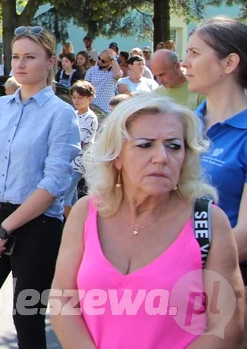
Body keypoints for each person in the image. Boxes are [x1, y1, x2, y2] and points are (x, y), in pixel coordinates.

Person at [49, 95, 245, 347]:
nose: (161, 157)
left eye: (174, 146)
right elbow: (62, 300)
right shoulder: (86, 212)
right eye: (145, 145)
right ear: (116, 156)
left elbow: (228, 326)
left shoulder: (207, 221)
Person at [0, 25, 80, 348]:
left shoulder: (61, 115)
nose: (20, 64)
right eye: (15, 56)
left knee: (27, 320)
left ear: (51, 61)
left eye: (30, 57)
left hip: (37, 227)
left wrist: (6, 228)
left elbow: (54, 183)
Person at [182, 16, 247, 282]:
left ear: (230, 62)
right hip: (171, 290)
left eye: (195, 53)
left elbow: (243, 237)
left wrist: (171, 264)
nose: (184, 62)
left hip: (226, 291)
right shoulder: (181, 126)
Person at [64, 81, 98, 217]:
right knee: (72, 199)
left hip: (77, 162)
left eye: (80, 97)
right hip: (68, 161)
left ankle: (72, 229)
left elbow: (81, 139)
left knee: (64, 200)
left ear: (89, 98)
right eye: (73, 97)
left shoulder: (90, 117)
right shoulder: (74, 113)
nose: (76, 100)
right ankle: (82, 222)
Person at [84, 49, 122, 113]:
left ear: (111, 62)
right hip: (91, 109)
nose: (100, 61)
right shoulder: (91, 71)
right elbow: (85, 89)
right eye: (99, 58)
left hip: (107, 111)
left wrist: (113, 58)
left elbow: (118, 75)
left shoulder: (114, 72)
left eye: (103, 61)